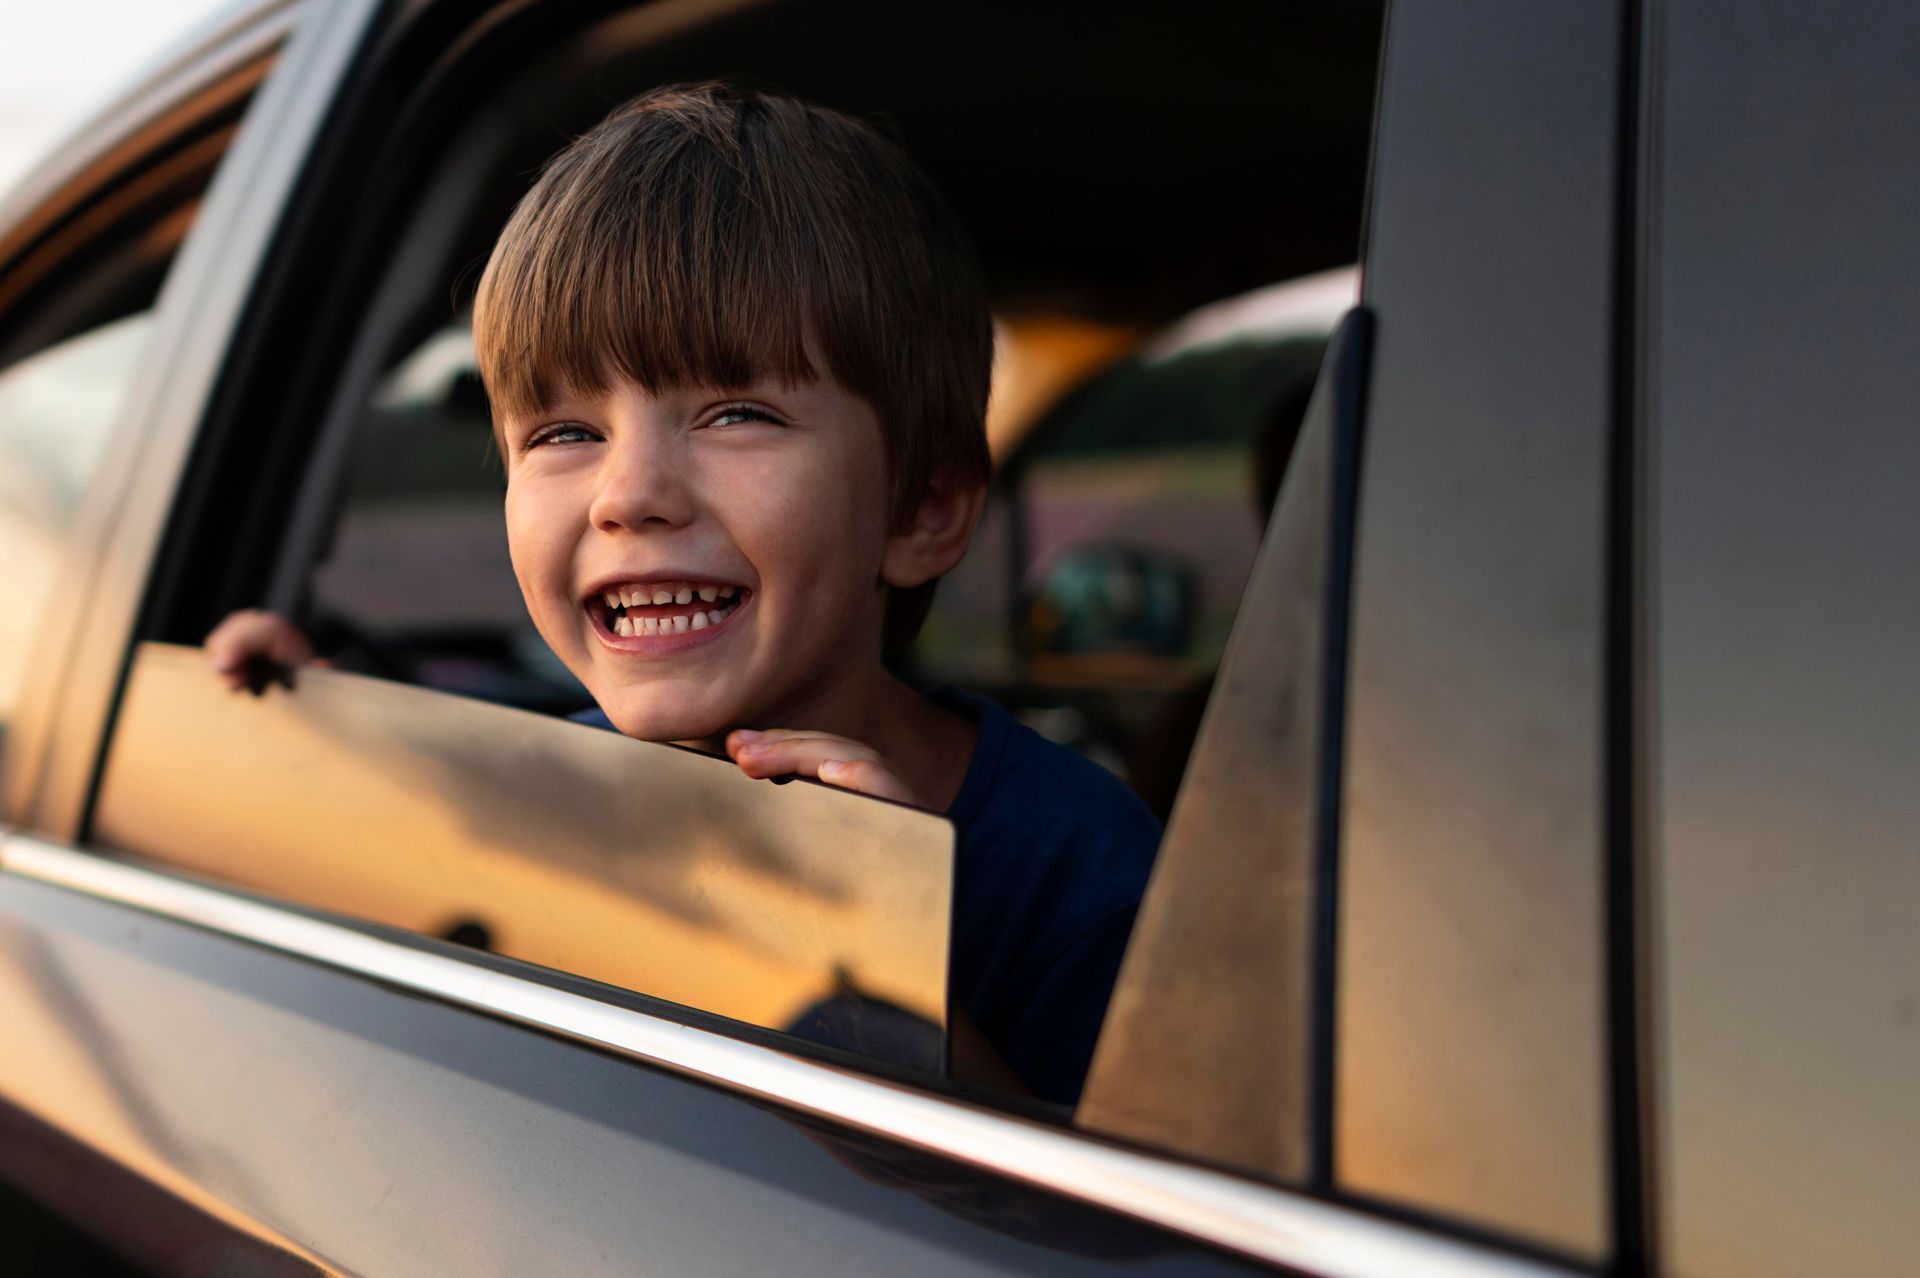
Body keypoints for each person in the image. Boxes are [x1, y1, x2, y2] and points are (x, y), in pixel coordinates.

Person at [205, 83, 1159, 1106]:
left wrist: (881, 971)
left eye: (736, 413)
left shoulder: (1083, 873)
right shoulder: (542, 783)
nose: (631, 495)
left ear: (922, 509)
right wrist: (311, 731)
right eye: (564, 433)